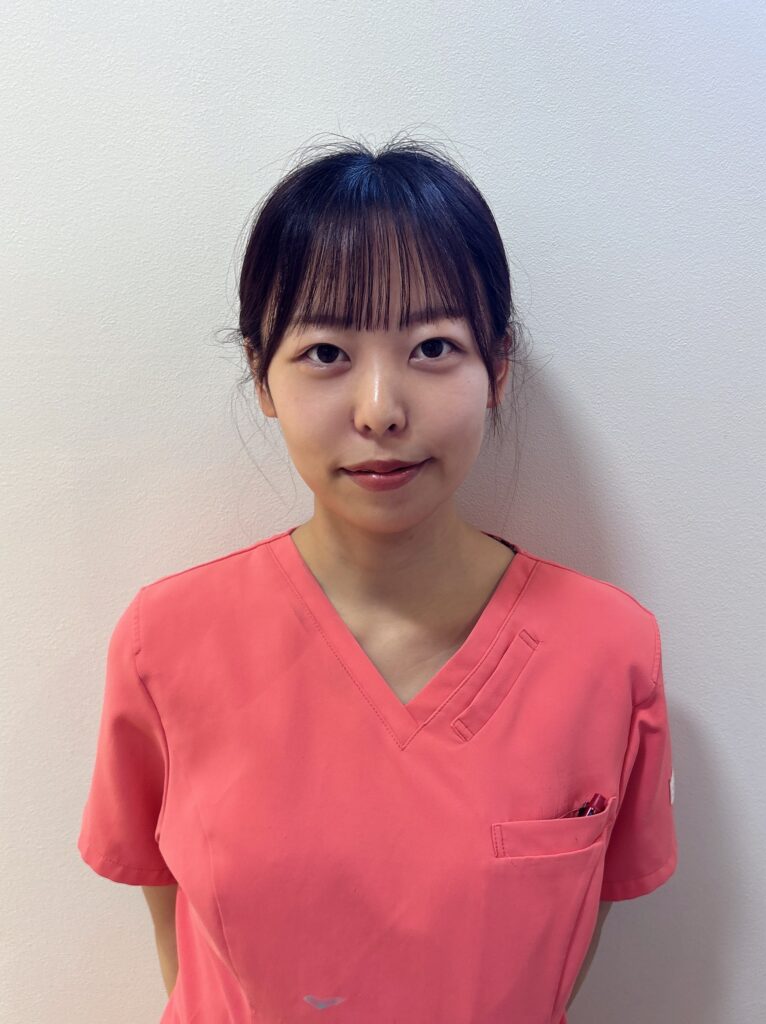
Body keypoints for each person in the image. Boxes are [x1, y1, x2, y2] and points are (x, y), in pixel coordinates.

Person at [77, 135, 678, 1024]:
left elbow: (574, 936)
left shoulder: (606, 650)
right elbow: (175, 921)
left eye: (432, 347)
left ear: (496, 368)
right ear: (262, 378)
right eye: (326, 353)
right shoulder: (164, 641)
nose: (380, 410)